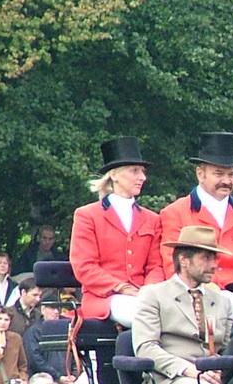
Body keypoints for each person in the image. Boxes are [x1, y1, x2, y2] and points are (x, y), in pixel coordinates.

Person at [132, 226, 233, 384]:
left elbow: (229, 346)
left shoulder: (222, 301)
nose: (214, 265)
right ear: (184, 261)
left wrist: (222, 370)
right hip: (168, 379)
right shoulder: (154, 295)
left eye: (214, 258)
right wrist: (189, 370)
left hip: (214, 376)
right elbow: (145, 348)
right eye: (206, 258)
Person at [157, 132, 233, 293]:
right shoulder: (174, 213)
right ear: (200, 174)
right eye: (219, 174)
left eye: (231, 174)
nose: (227, 181)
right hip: (195, 295)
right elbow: (172, 263)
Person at [70, 135, 165, 326]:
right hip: (104, 298)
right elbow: (85, 266)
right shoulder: (87, 215)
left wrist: (148, 291)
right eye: (135, 171)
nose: (142, 177)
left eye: (143, 172)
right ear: (114, 174)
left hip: (144, 296)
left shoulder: (152, 219)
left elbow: (156, 266)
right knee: (144, 317)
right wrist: (121, 287)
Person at [22, 295, 76, 384]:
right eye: (52, 308)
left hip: (70, 380)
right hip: (44, 382)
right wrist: (58, 377)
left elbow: (75, 353)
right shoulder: (33, 332)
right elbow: (35, 360)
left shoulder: (68, 328)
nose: (56, 311)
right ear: (43, 309)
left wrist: (74, 374)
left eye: (58, 308)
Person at [5, 274, 45, 339]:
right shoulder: (9, 313)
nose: (38, 299)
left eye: (39, 296)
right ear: (23, 292)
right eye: (34, 295)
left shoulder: (39, 314)